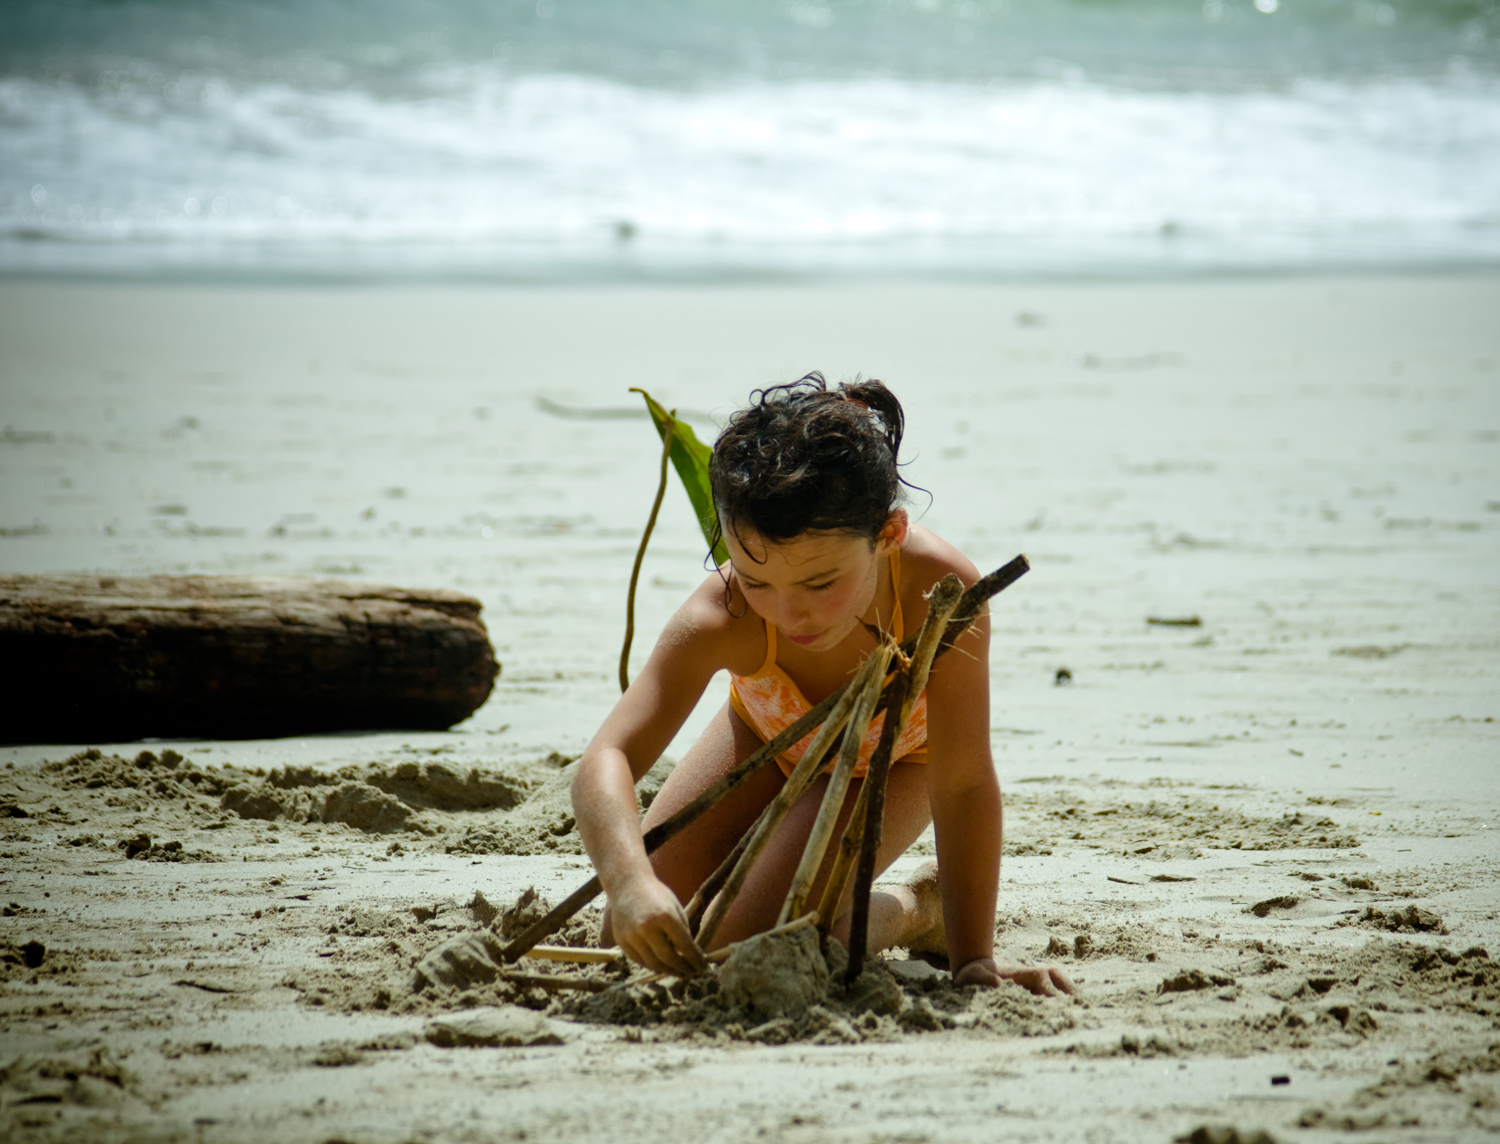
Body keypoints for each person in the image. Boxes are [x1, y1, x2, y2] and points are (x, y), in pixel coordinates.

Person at [570, 373, 1074, 996]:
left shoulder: (939, 591)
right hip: (765, 738)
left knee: (749, 950)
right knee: (633, 947)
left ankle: (917, 906)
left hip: (893, 763)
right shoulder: (722, 616)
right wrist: (628, 883)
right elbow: (607, 756)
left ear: (887, 535)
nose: (787, 613)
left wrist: (976, 960)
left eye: (818, 584)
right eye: (757, 581)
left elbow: (965, 780)